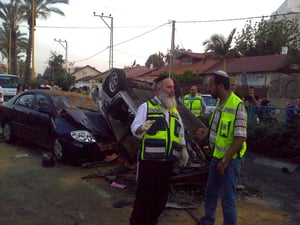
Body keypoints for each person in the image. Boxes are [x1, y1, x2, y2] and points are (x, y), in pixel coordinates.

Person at [129, 75, 189, 225]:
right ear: (158, 90)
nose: (172, 91)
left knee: (160, 199)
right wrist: (140, 129)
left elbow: (180, 131)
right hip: (149, 163)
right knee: (144, 199)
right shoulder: (146, 107)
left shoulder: (174, 111)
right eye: (169, 87)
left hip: (167, 163)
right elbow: (134, 127)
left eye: (173, 88)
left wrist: (184, 149)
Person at [196, 70, 247, 225]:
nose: (207, 88)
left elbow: (240, 138)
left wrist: (225, 161)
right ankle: (208, 220)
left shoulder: (237, 106)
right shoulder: (220, 104)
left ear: (219, 86)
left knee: (227, 198)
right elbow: (219, 130)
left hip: (229, 162)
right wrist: (206, 132)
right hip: (216, 157)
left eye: (210, 85)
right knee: (211, 192)